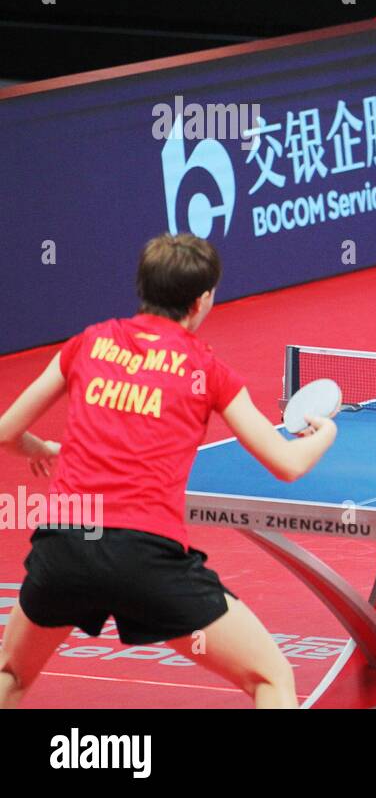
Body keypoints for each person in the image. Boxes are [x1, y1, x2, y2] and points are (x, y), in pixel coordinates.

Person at [0, 234, 338, 708]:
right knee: (271, 678)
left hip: (65, 549)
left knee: (11, 674)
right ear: (201, 300)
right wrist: (325, 433)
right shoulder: (207, 369)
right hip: (146, 559)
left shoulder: (87, 343)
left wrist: (45, 446)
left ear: (143, 287)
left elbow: (5, 433)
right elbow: (286, 463)